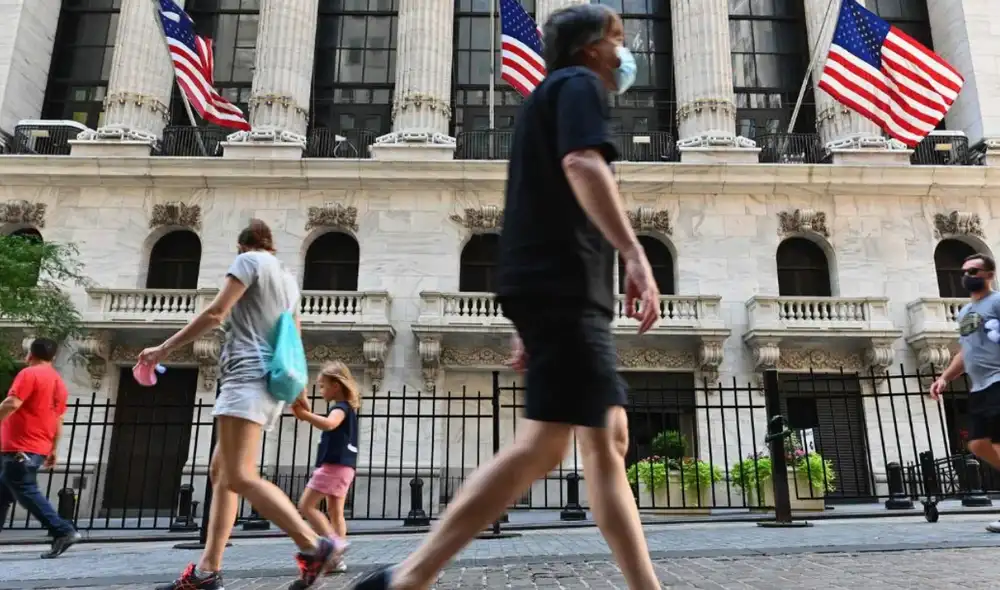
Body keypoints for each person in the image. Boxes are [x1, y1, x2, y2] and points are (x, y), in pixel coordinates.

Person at [354, 5, 662, 590]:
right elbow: (581, 165)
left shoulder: (545, 99)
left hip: (557, 290)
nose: (626, 52)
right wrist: (635, 252)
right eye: (618, 38)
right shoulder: (577, 86)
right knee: (550, 446)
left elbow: (532, 204)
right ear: (591, 48)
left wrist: (528, 313)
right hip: (566, 289)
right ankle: (412, 575)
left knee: (605, 438)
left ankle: (412, 576)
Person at [141, 220, 341, 590]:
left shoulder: (248, 263)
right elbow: (294, 333)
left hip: (245, 377)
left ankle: (313, 545)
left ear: (242, 245)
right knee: (222, 473)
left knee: (239, 475)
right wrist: (298, 390)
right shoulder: (287, 280)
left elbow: (217, 313)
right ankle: (207, 570)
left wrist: (163, 349)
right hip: (269, 381)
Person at [930, 252, 1000, 533]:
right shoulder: (964, 313)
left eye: (974, 271)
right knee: (978, 445)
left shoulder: (997, 302)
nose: (968, 276)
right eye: (965, 271)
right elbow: (965, 350)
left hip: (999, 380)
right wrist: (945, 377)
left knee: (995, 443)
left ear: (989, 275)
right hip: (980, 385)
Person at [0, 337, 81, 559]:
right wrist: (54, 449)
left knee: (25, 489)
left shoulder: (29, 373)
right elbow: (59, 419)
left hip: (20, 446)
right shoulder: (58, 382)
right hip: (37, 446)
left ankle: (63, 530)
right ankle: (62, 531)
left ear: (30, 354)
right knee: (3, 491)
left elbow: (12, 403)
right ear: (53, 357)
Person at [292, 361, 361, 574]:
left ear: (336, 385)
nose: (320, 390)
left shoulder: (340, 408)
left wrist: (305, 417)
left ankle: (332, 544)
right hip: (346, 468)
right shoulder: (349, 409)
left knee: (306, 506)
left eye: (323, 385)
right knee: (335, 512)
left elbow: (330, 424)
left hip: (333, 467)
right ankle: (336, 560)